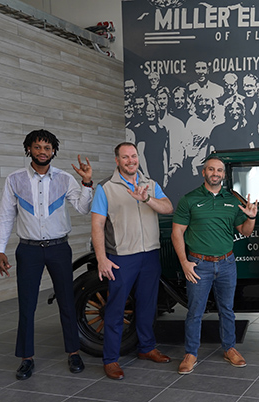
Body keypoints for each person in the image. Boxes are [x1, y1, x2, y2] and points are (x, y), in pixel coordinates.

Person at [0, 129, 93, 380]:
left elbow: (83, 208)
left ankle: (73, 352)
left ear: (53, 151)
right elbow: (5, 216)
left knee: (67, 302)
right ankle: (26, 358)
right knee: (26, 305)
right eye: (37, 147)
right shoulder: (14, 179)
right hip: (28, 250)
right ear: (28, 149)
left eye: (47, 148)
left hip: (59, 248)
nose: (42, 152)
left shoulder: (65, 178)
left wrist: (87, 183)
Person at [91, 142, 174, 380]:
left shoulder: (151, 184)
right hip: (120, 258)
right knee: (115, 309)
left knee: (148, 306)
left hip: (150, 255)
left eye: (134, 156)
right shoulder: (105, 188)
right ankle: (111, 359)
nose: (130, 161)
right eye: (125, 157)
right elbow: (97, 225)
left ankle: (147, 348)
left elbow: (168, 208)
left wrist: (147, 199)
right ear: (117, 160)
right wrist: (101, 259)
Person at [171, 156, 258, 375]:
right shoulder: (189, 199)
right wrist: (184, 262)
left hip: (227, 263)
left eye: (219, 170)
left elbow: (245, 231)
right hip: (199, 265)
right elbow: (177, 233)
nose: (215, 173)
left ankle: (229, 348)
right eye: (211, 169)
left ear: (223, 174)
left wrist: (252, 218)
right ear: (204, 172)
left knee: (227, 309)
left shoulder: (231, 200)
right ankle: (191, 353)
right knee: (195, 311)